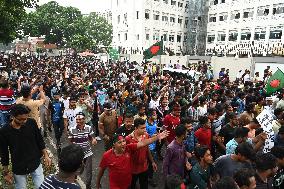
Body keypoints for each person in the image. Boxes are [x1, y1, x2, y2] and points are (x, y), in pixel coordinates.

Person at [0, 104, 51, 189]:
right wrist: (6, 172)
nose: (24, 121)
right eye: (20, 119)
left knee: (41, 187)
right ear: (13, 116)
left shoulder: (31, 123)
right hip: (19, 166)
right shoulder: (4, 131)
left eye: (25, 118)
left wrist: (46, 155)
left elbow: (39, 140)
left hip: (35, 162)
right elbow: (4, 153)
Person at [96, 130, 169, 189]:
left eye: (124, 141)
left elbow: (143, 143)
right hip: (115, 186)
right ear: (113, 145)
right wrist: (97, 183)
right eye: (119, 142)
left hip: (128, 183)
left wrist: (157, 137)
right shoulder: (106, 155)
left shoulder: (128, 148)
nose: (123, 144)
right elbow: (101, 171)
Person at [125, 117, 158, 189]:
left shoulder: (146, 135)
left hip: (144, 168)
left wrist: (152, 162)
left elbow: (147, 149)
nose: (145, 130)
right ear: (136, 128)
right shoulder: (128, 139)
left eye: (145, 127)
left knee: (144, 186)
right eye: (142, 128)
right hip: (132, 169)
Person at [68, 112, 97, 189]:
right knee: (77, 170)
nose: (78, 121)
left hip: (88, 153)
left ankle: (88, 186)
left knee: (89, 171)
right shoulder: (72, 129)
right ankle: (73, 183)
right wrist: (72, 151)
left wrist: (93, 140)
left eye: (80, 119)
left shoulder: (89, 128)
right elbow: (70, 140)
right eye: (77, 119)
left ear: (84, 119)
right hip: (77, 154)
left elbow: (91, 137)